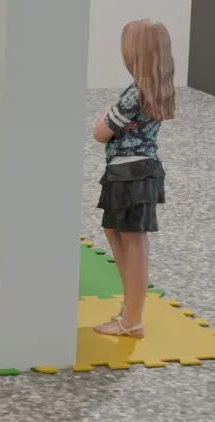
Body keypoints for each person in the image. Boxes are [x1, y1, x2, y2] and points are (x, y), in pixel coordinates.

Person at [91, 19, 175, 338]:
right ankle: (129, 309)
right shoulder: (156, 89)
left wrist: (105, 113)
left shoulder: (135, 94)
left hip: (130, 172)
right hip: (135, 170)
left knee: (133, 239)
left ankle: (133, 319)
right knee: (115, 231)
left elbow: (101, 132)